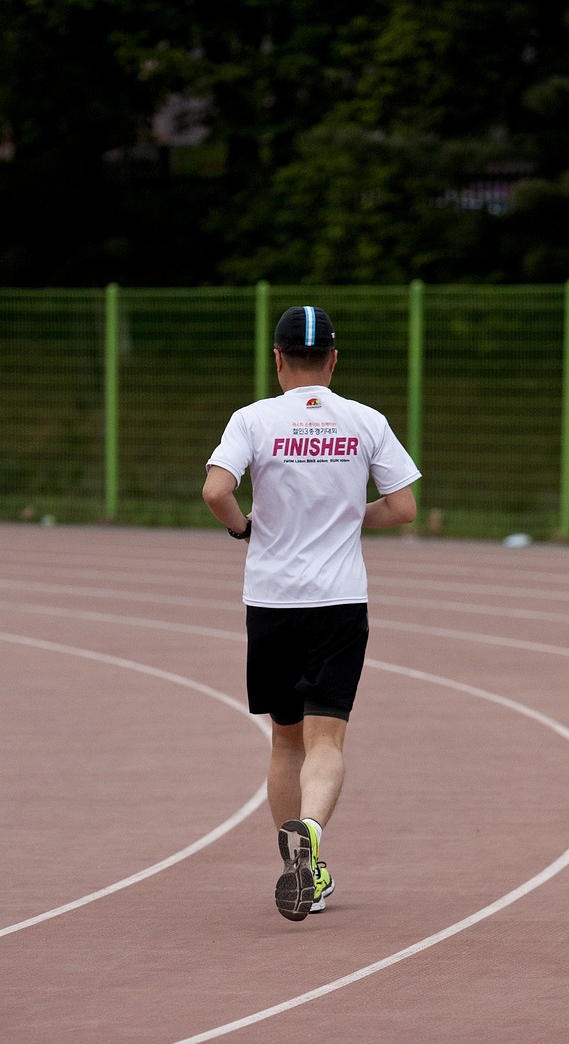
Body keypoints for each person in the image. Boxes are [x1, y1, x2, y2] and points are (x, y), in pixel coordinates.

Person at [203, 305, 420, 922]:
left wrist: (243, 526)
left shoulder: (252, 420)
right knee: (328, 738)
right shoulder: (365, 420)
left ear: (276, 360)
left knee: (284, 739)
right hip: (338, 601)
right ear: (332, 360)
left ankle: (298, 867)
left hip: (272, 599)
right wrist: (354, 518)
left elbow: (216, 490)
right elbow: (402, 507)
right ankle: (314, 836)